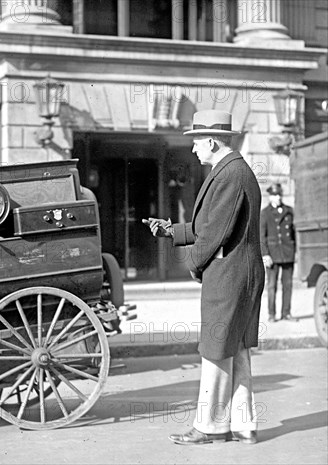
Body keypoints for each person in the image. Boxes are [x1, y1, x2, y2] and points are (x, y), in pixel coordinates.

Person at [143, 110, 264, 446]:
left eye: (196, 142)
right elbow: (208, 225)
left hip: (229, 274)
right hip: (237, 271)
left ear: (211, 141)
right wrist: (172, 230)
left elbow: (214, 235)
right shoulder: (232, 171)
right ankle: (244, 425)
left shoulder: (229, 175)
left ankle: (209, 428)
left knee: (215, 350)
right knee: (234, 348)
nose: (194, 149)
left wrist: (193, 263)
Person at [260, 183, 297, 322]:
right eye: (275, 195)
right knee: (271, 286)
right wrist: (265, 254)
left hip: (287, 252)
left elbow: (294, 233)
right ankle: (271, 314)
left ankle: (286, 313)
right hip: (273, 254)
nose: (278, 198)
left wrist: (296, 251)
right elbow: (261, 236)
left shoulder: (289, 211)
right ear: (270, 197)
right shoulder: (265, 213)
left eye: (279, 195)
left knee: (288, 285)